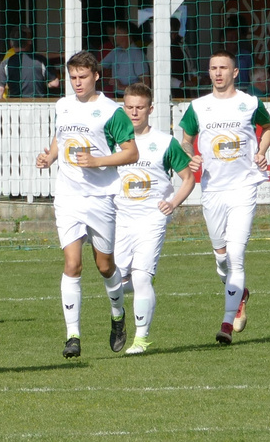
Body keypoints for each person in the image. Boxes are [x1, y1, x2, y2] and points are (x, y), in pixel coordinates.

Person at [35, 51, 138, 358]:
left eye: (82, 77)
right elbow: (60, 136)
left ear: (96, 76)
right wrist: (50, 156)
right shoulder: (63, 105)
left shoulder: (110, 111)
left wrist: (97, 161)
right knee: (72, 264)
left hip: (101, 197)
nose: (77, 83)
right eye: (73, 78)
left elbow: (131, 153)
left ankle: (118, 315)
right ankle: (73, 335)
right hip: (67, 196)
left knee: (105, 265)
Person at [180, 50, 270, 345]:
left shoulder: (250, 103)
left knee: (235, 255)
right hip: (213, 190)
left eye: (223, 68)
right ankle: (241, 294)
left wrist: (261, 151)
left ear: (235, 73)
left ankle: (226, 323)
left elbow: (268, 127)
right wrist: (190, 158)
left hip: (244, 187)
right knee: (221, 258)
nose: (218, 73)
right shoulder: (198, 107)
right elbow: (184, 140)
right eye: (213, 68)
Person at [110, 82, 196, 354]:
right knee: (116, 281)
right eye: (129, 108)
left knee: (143, 278)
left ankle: (141, 338)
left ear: (150, 109)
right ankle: (119, 316)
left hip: (152, 219)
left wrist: (173, 202)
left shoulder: (164, 142)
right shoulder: (114, 141)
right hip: (121, 218)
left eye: (140, 108)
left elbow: (188, 178)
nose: (134, 113)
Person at [1, 32, 57, 98]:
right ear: (29, 42)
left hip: (15, 104)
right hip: (38, 104)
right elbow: (55, 83)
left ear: (11, 43)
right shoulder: (40, 60)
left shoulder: (6, 62)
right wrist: (45, 84)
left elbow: (0, 89)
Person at [100, 22, 149, 95]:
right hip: (116, 95)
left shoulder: (137, 54)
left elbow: (146, 83)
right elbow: (98, 67)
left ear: (127, 35)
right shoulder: (115, 51)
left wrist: (122, 87)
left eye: (117, 33)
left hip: (132, 96)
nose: (114, 36)